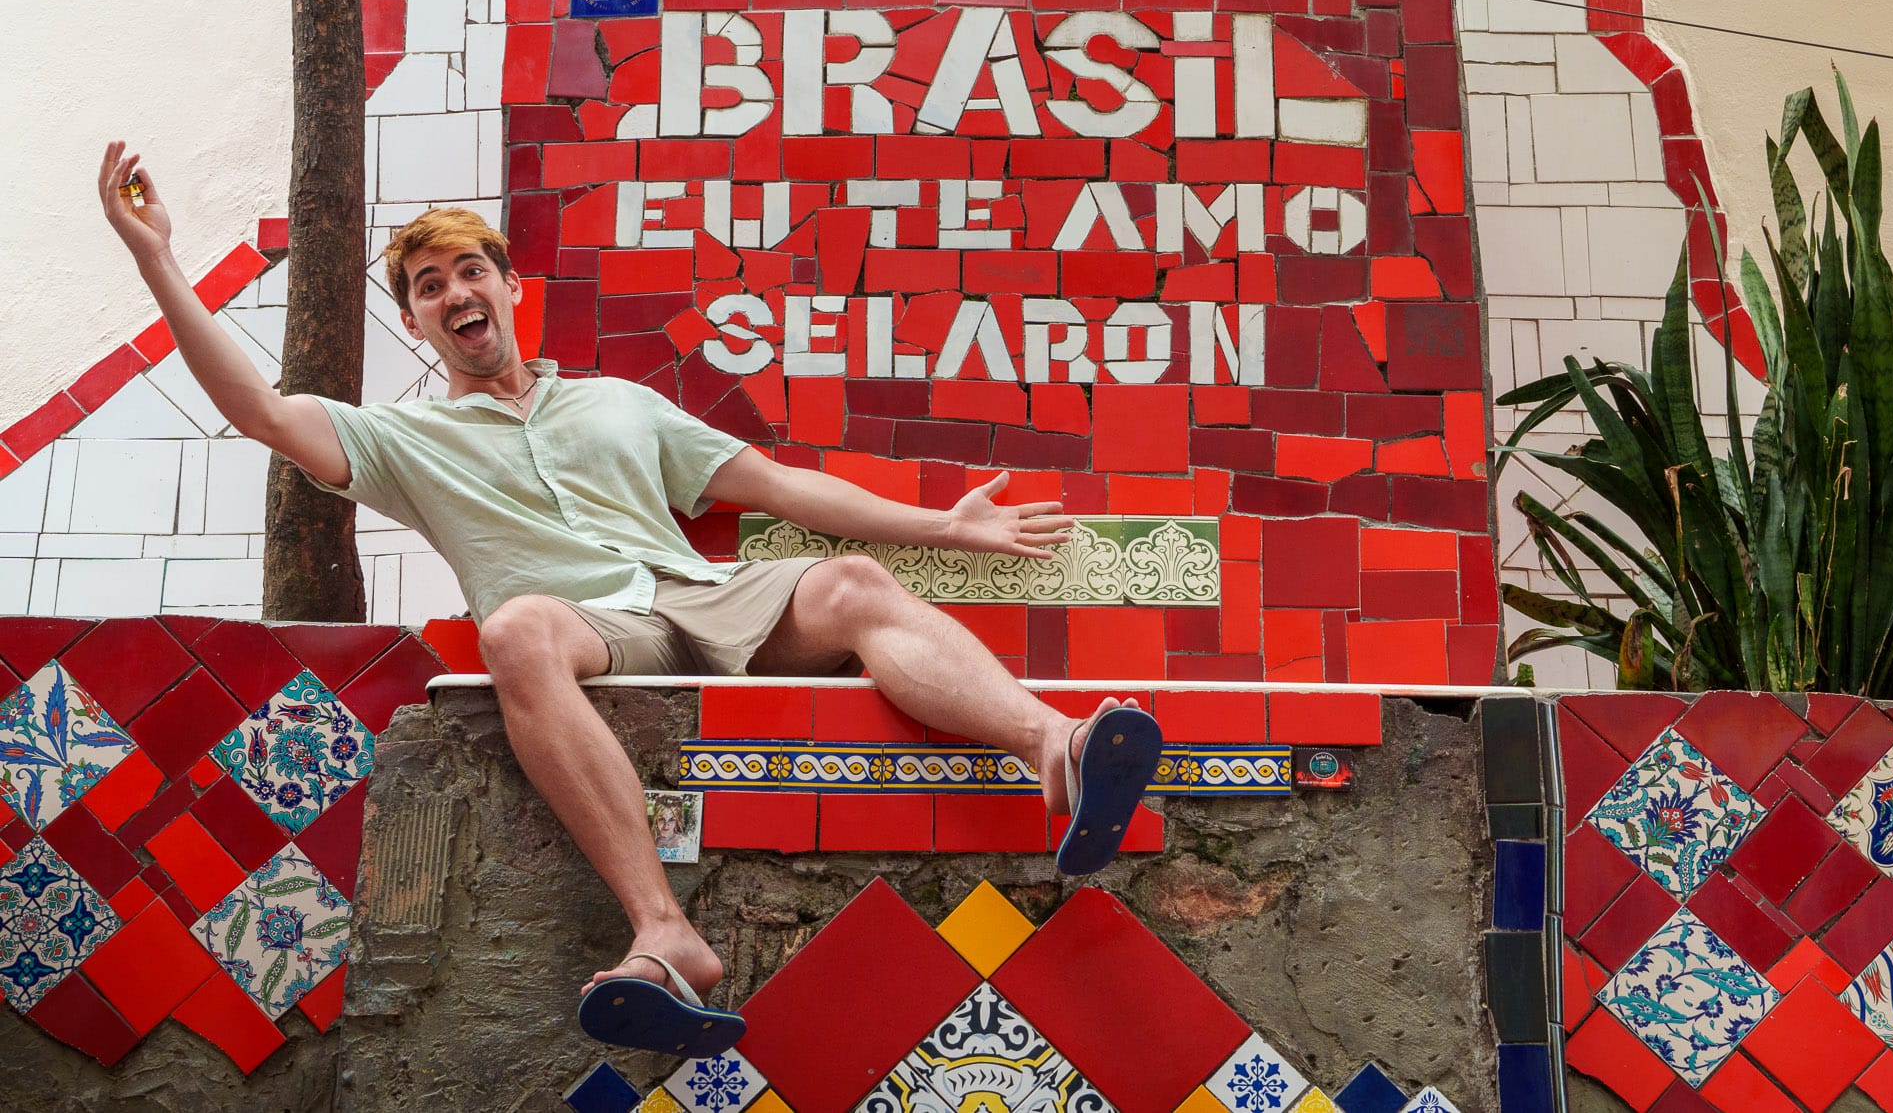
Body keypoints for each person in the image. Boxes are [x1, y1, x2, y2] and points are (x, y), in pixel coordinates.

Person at [94, 141, 1162, 1057]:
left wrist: (946, 524)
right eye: (427, 285)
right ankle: (664, 934)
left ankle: (1058, 749)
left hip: (707, 596)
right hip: (596, 630)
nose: (454, 292)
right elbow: (261, 411)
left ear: (510, 288)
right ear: (417, 320)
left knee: (849, 581)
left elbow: (776, 486)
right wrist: (157, 261)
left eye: (469, 270)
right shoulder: (401, 439)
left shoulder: (619, 404)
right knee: (515, 627)